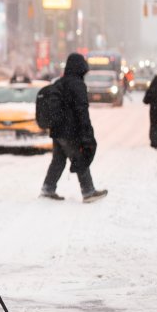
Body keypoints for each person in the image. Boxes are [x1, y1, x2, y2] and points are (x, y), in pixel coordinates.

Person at [40, 53, 107, 202]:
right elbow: (81, 110)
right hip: (70, 131)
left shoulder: (60, 83)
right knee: (80, 158)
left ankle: (48, 188)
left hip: (57, 130)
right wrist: (87, 132)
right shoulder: (77, 84)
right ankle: (88, 192)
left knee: (58, 160)